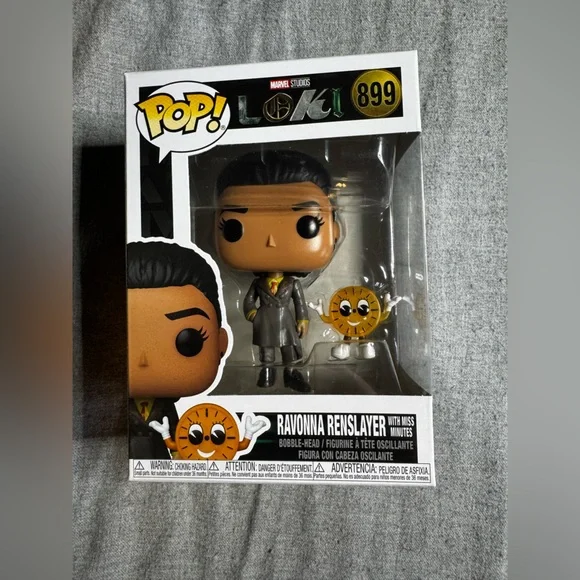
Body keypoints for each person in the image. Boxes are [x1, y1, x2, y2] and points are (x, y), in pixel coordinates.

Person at [215, 150, 340, 391]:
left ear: (334, 230)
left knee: (289, 349)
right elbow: (249, 300)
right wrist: (253, 314)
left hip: (285, 320)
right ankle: (267, 374)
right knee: (266, 351)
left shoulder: (292, 283)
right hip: (265, 321)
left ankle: (291, 373)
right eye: (233, 227)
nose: (271, 241)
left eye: (306, 224)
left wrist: (303, 319)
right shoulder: (258, 284)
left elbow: (299, 302)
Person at [127, 241, 229, 458]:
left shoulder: (165, 409)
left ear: (221, 344)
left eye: (188, 341)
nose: (143, 360)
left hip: (161, 464)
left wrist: (180, 454)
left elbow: (176, 433)